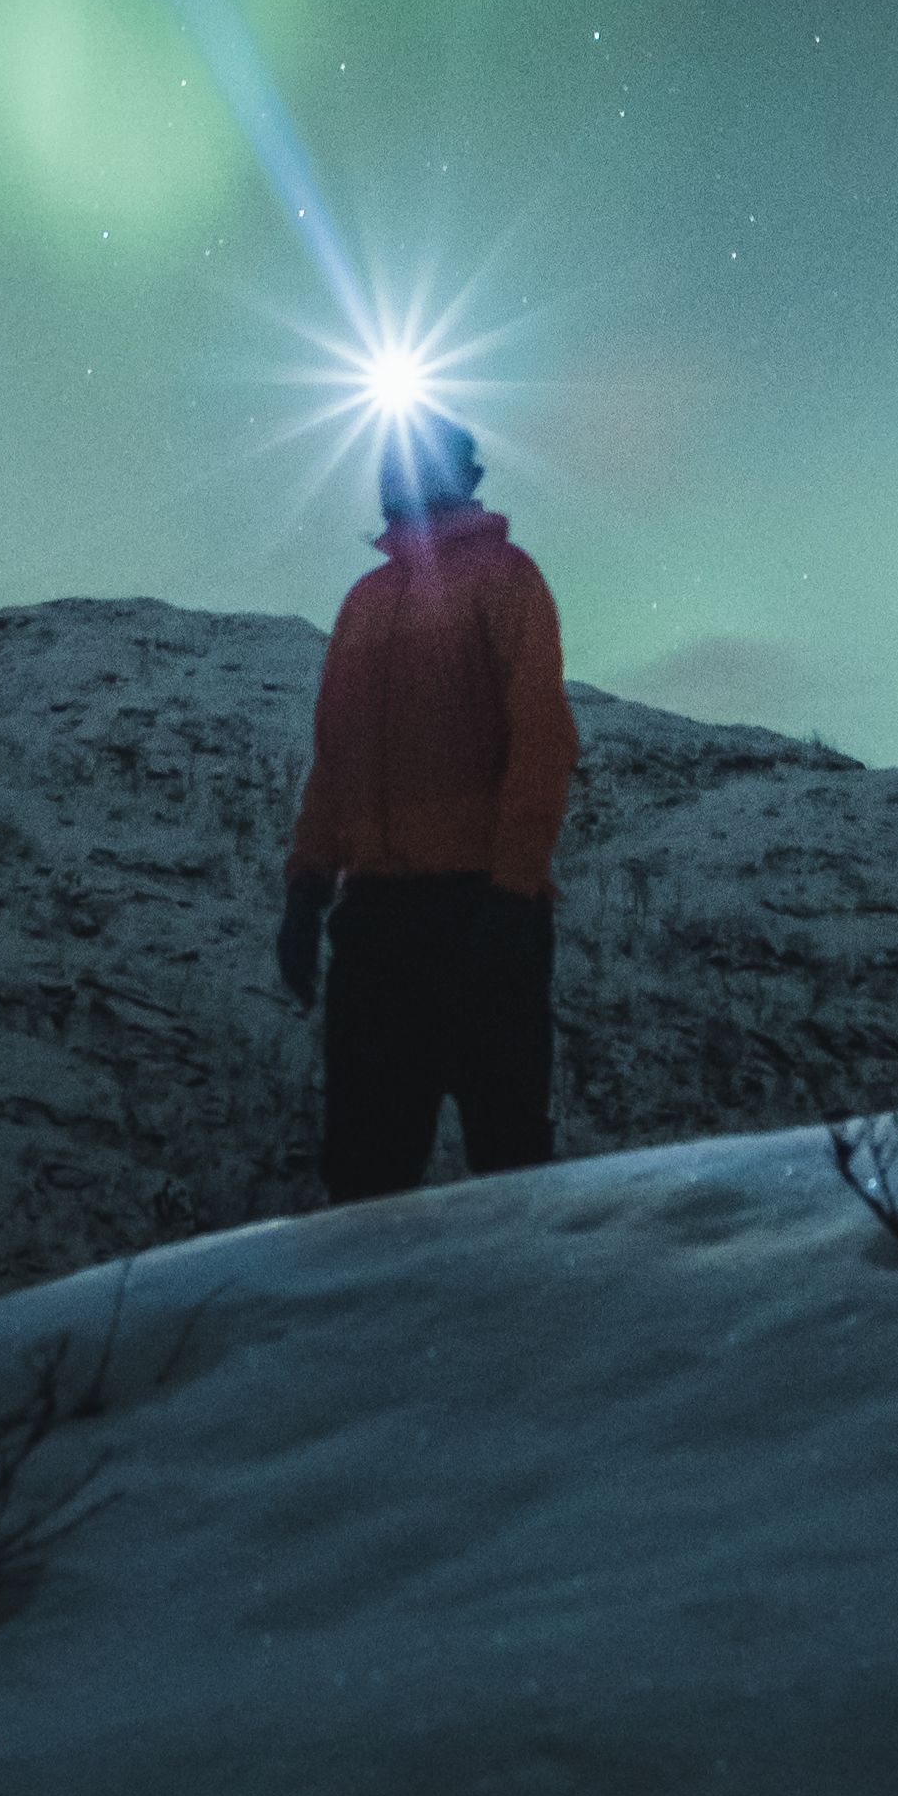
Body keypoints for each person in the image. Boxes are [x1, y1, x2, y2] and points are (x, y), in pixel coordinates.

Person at [274, 405, 577, 1200]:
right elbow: (335, 760)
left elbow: (542, 738)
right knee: (363, 1177)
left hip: (482, 910)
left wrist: (512, 890)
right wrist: (307, 887)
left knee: (509, 1168)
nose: (391, 477)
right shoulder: (364, 601)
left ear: (458, 475)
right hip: (378, 923)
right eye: (387, 462)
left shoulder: (506, 578)